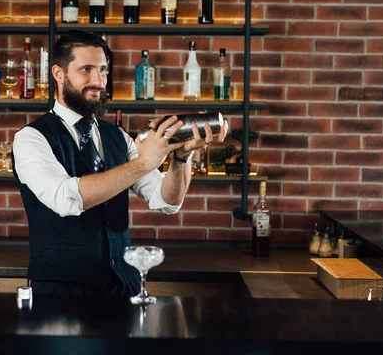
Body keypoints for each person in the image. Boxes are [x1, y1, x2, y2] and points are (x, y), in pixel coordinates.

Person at [12, 30, 228, 296]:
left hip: (124, 287)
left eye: (103, 70)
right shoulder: (31, 139)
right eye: (86, 69)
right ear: (59, 74)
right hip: (60, 292)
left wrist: (181, 157)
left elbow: (167, 201)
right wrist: (143, 163)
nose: (98, 80)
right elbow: (65, 199)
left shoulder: (117, 137)